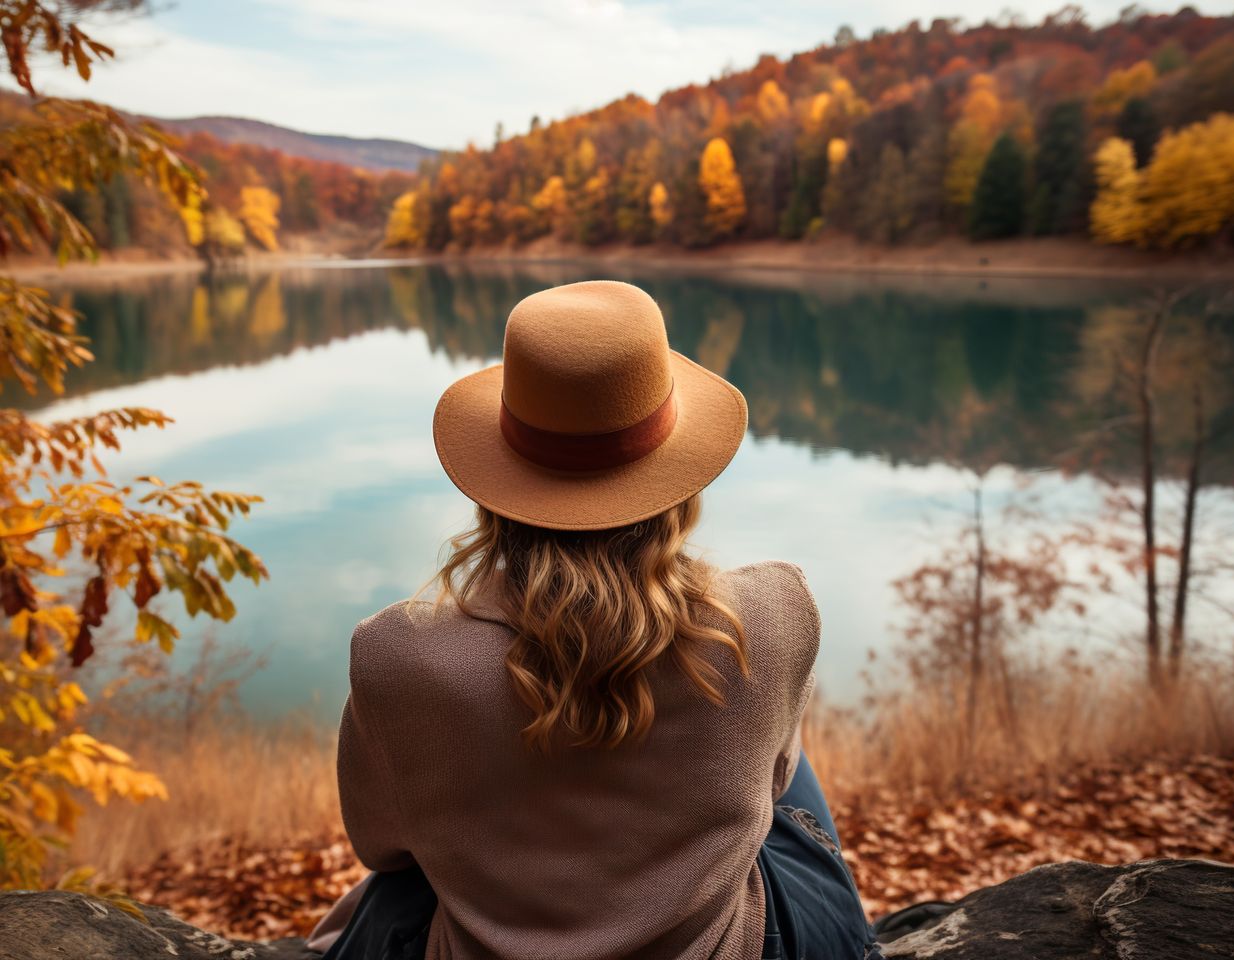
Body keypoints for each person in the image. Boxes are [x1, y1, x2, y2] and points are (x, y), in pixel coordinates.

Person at [306, 280, 882, 960]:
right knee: (777, 759)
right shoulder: (772, 614)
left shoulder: (396, 656)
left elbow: (381, 843)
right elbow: (774, 792)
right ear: (676, 481)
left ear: (498, 487)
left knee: (391, 886)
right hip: (733, 946)